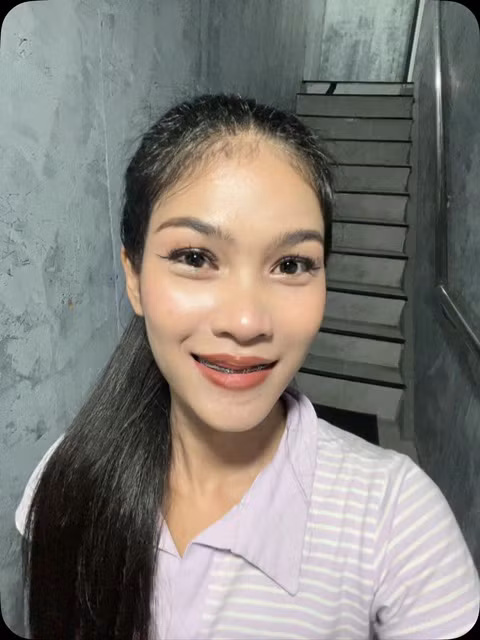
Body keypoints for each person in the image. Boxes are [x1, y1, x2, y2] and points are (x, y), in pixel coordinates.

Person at [15, 93, 479, 640]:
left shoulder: (396, 519)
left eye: (291, 264)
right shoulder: (65, 479)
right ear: (134, 277)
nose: (245, 322)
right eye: (195, 258)